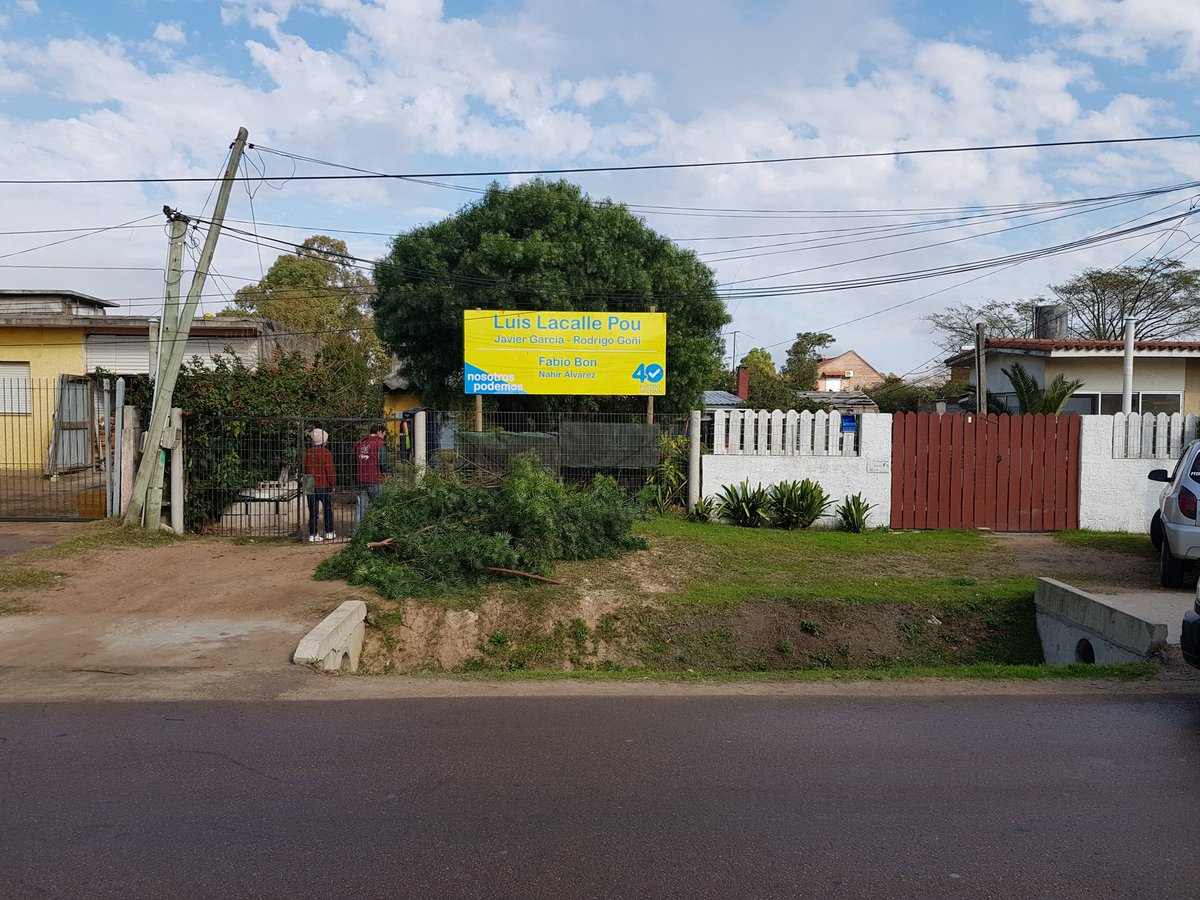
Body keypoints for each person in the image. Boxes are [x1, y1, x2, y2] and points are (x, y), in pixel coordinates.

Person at [354, 423, 393, 530]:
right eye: (384, 434)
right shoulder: (380, 443)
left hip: (361, 479)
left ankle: (356, 533)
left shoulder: (360, 443)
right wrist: (390, 470)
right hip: (375, 479)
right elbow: (383, 462)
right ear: (380, 432)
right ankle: (377, 531)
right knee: (379, 507)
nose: (384, 436)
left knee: (361, 508)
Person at [304, 427, 337, 542]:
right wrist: (333, 484)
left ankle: (313, 534)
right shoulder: (326, 452)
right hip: (323, 483)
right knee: (327, 508)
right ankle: (329, 531)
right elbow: (329, 470)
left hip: (309, 483)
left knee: (313, 511)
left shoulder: (308, 452)